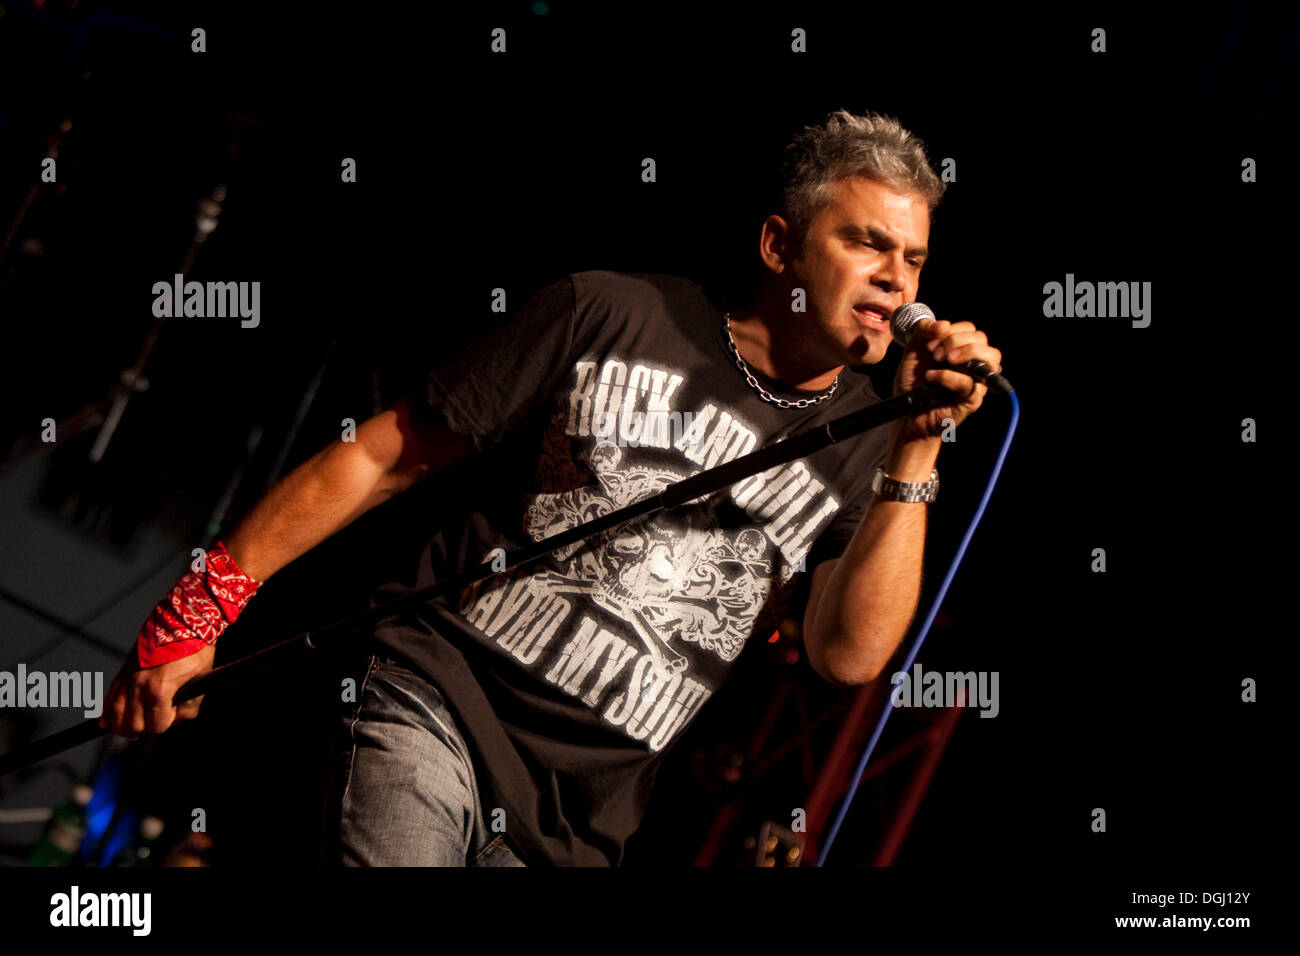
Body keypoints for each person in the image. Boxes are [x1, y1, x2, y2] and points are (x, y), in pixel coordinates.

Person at [100, 109, 1003, 866]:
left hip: (580, 825)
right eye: (865, 243)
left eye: (915, 260)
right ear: (779, 246)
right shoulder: (610, 311)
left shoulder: (869, 450)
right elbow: (383, 456)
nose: (897, 278)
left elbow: (845, 657)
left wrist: (917, 448)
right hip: (435, 702)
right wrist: (200, 608)